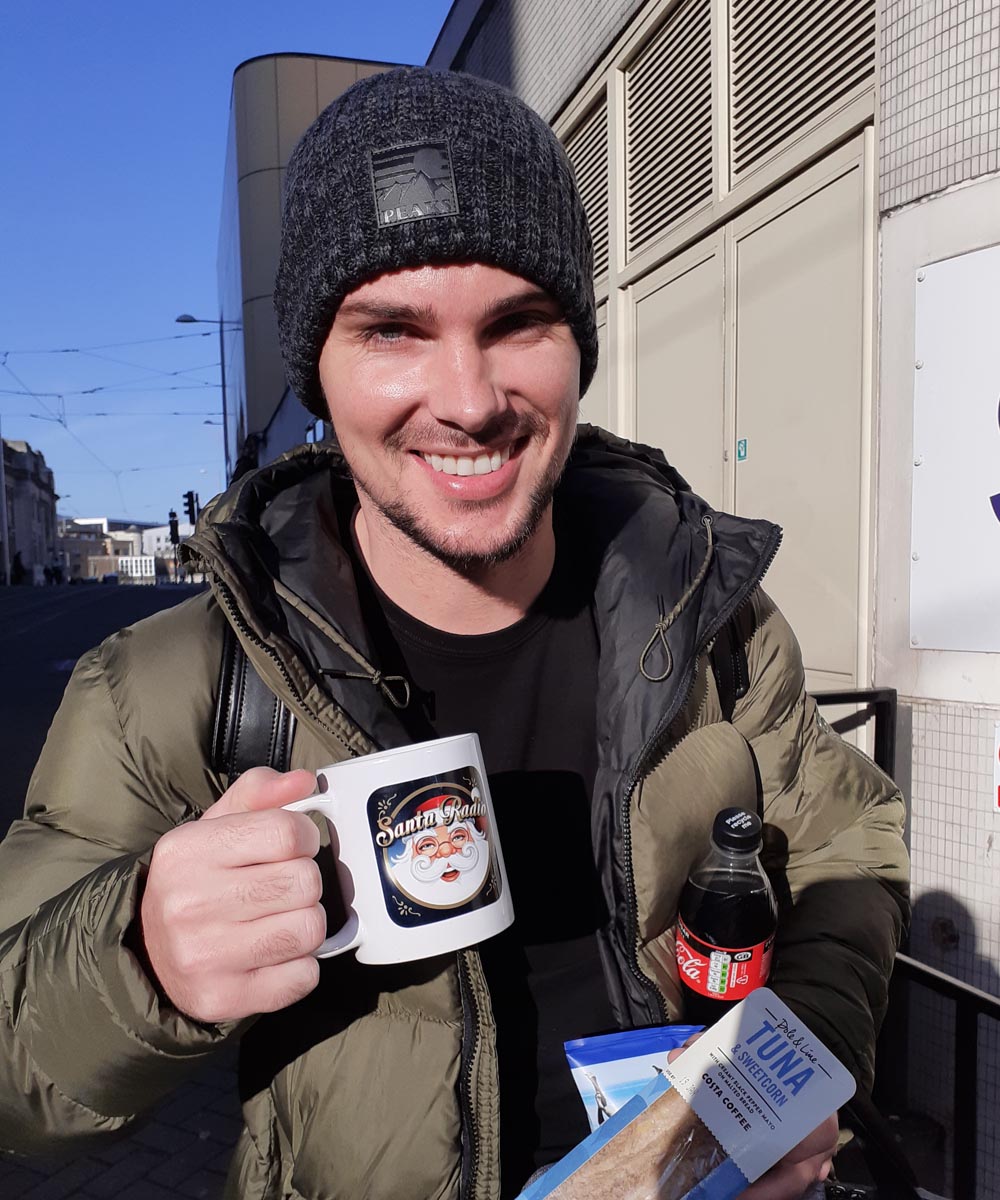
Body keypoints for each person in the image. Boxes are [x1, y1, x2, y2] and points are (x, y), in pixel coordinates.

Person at [0, 67, 908, 1199]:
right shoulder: (175, 682)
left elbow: (844, 850)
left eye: (518, 321)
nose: (468, 398)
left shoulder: (705, 613)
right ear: (318, 378)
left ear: (579, 345)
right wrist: (143, 959)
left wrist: (791, 1070)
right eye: (392, 331)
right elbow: (19, 1082)